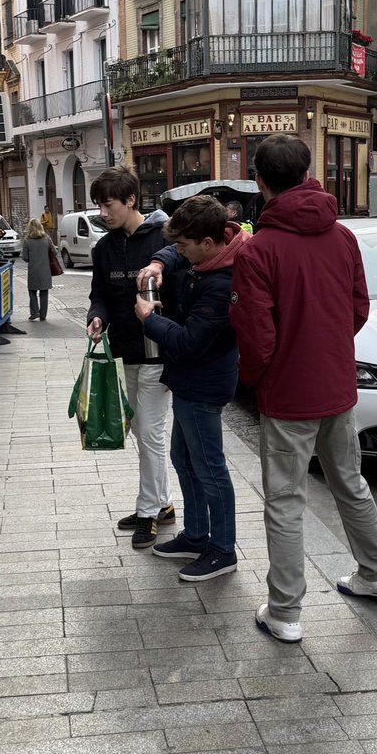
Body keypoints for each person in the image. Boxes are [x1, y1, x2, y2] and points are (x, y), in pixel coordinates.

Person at [229, 134, 377, 643]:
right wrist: (323, 345)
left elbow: (257, 339)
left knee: (285, 500)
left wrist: (256, 378)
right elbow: (358, 307)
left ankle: (285, 610)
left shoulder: (258, 251)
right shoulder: (343, 236)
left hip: (289, 395)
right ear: (307, 174)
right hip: (337, 386)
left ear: (260, 180)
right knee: (351, 482)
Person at [135, 196, 250, 581]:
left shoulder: (223, 282)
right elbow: (174, 250)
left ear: (206, 241)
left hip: (203, 385)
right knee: (184, 460)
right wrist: (158, 261)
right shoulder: (209, 255)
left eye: (185, 246)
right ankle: (197, 535)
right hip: (187, 381)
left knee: (210, 469)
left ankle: (222, 550)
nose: (179, 252)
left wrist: (150, 319)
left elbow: (189, 341)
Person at [86, 165, 175, 549]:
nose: (103, 214)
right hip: (126, 353)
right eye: (99, 207)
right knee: (141, 430)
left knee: (150, 434)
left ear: (131, 200)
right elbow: (99, 293)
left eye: (109, 206)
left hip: (159, 352)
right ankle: (163, 502)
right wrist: (97, 317)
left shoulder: (164, 238)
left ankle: (148, 511)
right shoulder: (104, 248)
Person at [22, 218, 56, 320]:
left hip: (33, 271)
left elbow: (25, 258)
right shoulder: (47, 238)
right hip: (45, 270)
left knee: (32, 291)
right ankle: (43, 315)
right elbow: (55, 252)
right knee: (44, 293)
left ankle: (34, 312)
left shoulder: (27, 241)